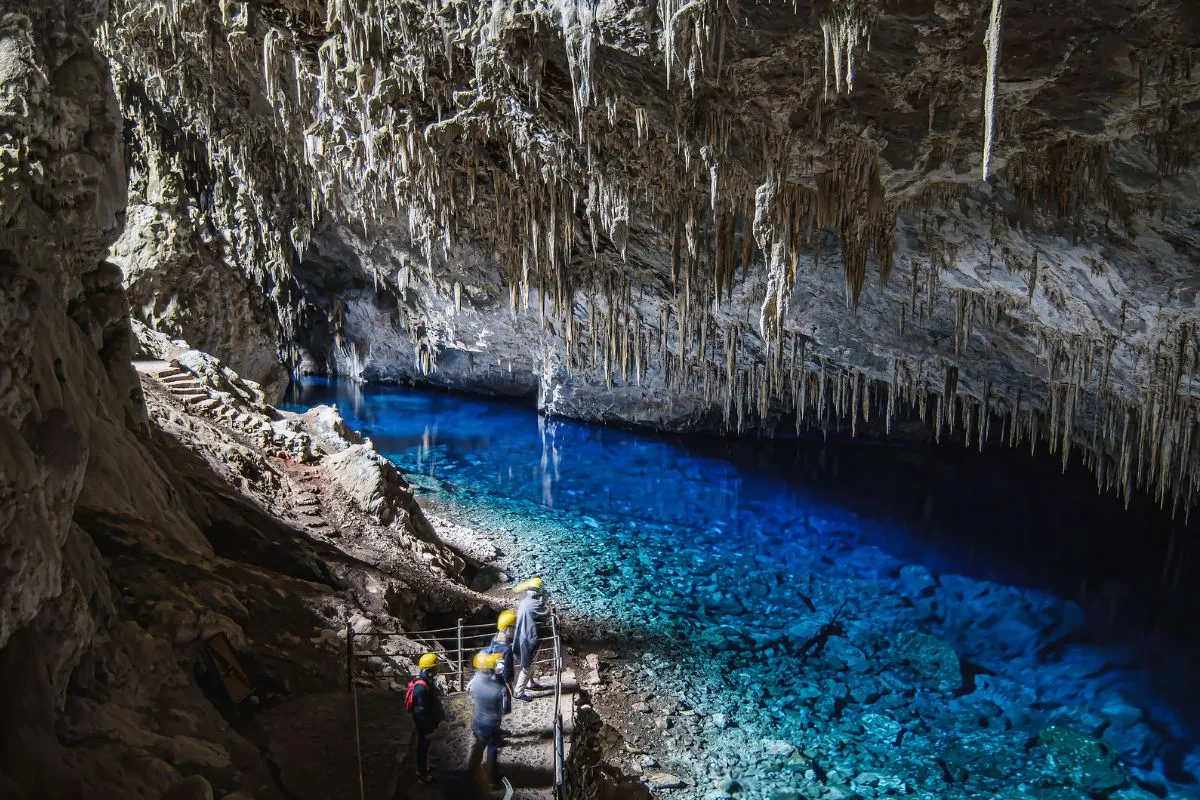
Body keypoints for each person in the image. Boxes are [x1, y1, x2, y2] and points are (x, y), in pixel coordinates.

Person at [467, 651, 509, 787]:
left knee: (478, 746)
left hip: (478, 719)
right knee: (492, 748)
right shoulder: (497, 688)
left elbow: (471, 696)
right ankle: (492, 778)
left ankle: (470, 773)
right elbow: (504, 708)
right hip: (491, 723)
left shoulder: (474, 682)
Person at [405, 652, 444, 784]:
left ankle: (423, 768)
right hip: (425, 724)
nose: (437, 669)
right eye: (435, 668)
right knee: (423, 746)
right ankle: (423, 774)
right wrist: (428, 728)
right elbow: (421, 711)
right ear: (430, 670)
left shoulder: (425, 681)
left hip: (427, 723)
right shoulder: (422, 688)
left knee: (425, 747)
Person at [511, 577, 550, 701]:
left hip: (521, 636)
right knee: (527, 665)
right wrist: (544, 599)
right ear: (539, 590)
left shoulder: (524, 602)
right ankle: (518, 692)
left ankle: (530, 683)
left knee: (531, 662)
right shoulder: (535, 604)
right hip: (529, 639)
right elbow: (546, 611)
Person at [482, 610, 517, 694]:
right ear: (507, 629)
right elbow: (507, 675)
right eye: (513, 627)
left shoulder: (493, 640)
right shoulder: (506, 650)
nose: (515, 630)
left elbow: (499, 668)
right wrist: (512, 691)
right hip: (501, 688)